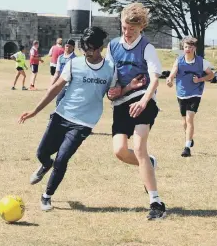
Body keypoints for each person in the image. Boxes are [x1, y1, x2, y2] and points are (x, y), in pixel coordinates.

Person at [18, 26, 146, 211]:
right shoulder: (74, 64)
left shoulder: (110, 69)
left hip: (84, 123)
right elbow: (55, 89)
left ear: (101, 48)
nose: (87, 53)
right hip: (61, 116)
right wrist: (35, 111)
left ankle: (47, 196)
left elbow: (112, 95)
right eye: (84, 48)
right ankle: (46, 165)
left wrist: (127, 89)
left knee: (62, 159)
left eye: (91, 49)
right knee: (42, 154)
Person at [106, 2, 166, 220]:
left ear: (141, 27)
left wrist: (143, 101)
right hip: (122, 103)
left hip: (144, 101)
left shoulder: (147, 47)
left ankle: (156, 202)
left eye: (132, 29)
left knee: (139, 148)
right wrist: (113, 91)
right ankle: (149, 164)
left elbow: (155, 80)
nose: (127, 33)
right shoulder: (113, 46)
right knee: (120, 152)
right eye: (124, 27)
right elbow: (110, 77)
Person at [166, 36, 214, 157]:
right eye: (186, 47)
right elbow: (173, 73)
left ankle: (187, 147)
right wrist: (170, 79)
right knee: (184, 122)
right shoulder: (179, 60)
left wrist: (200, 79)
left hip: (195, 93)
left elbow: (211, 75)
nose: (188, 49)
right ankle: (189, 138)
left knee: (189, 119)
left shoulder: (201, 62)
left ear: (194, 48)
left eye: (190, 47)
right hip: (181, 93)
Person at [51, 39, 76, 106]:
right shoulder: (60, 58)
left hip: (71, 85)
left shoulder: (75, 59)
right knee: (58, 102)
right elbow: (57, 73)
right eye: (66, 46)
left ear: (73, 47)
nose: (67, 48)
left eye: (70, 46)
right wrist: (51, 85)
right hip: (61, 84)